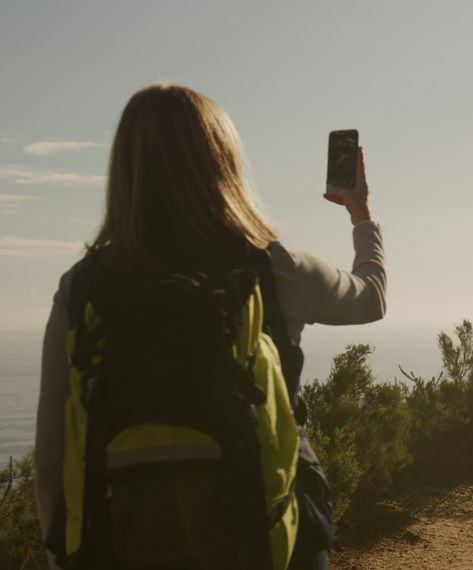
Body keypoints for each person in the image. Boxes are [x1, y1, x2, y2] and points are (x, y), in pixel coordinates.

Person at [34, 84, 386, 568]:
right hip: (274, 544)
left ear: (125, 172)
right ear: (225, 163)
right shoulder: (272, 269)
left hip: (122, 545)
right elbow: (371, 298)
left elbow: (52, 461)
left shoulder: (82, 289)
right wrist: (360, 212)